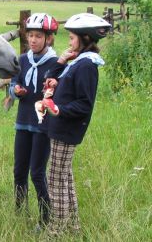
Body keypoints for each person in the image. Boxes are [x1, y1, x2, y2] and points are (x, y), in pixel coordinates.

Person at [38, 13, 111, 234]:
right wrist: (59, 66)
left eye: (71, 38)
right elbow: (58, 82)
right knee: (64, 177)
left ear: (85, 38)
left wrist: (59, 109)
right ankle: (73, 227)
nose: (69, 42)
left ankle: (56, 230)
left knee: (55, 180)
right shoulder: (78, 62)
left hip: (66, 129)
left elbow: (84, 104)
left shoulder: (87, 66)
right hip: (61, 128)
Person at [9, 13, 59, 228]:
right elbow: (12, 85)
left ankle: (45, 218)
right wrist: (15, 91)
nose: (32, 40)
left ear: (48, 38)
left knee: (37, 172)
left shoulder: (57, 63)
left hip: (43, 126)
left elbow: (60, 93)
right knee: (19, 170)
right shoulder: (22, 60)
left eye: (38, 36)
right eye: (30, 35)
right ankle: (20, 210)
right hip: (23, 122)